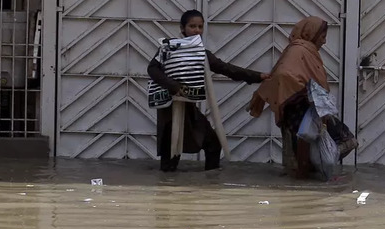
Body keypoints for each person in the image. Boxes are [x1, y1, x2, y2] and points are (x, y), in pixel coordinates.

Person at [147, 10, 266, 171]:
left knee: (212, 144)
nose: (196, 30)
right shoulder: (169, 48)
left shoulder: (200, 53)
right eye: (192, 26)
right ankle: (167, 190)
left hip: (189, 108)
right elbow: (153, 69)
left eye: (200, 27)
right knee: (171, 153)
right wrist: (175, 87)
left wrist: (258, 76)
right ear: (182, 28)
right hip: (169, 107)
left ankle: (209, 187)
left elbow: (225, 68)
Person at [248, 16, 355, 177]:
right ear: (311, 34)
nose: (324, 42)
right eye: (323, 37)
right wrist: (303, 91)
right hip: (300, 104)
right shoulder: (299, 50)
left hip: (302, 104)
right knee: (310, 140)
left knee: (308, 143)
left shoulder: (303, 50)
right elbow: (284, 74)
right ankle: (304, 179)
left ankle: (306, 177)